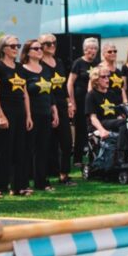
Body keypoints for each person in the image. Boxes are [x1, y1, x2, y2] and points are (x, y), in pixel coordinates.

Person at [0, 35, 32, 197]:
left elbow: (25, 93)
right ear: (3, 48)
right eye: (13, 46)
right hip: (5, 109)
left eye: (18, 45)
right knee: (3, 151)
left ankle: (18, 186)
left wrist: (28, 115)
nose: (16, 48)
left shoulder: (19, 67)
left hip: (19, 111)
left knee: (19, 149)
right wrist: (0, 114)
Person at [21, 39, 56, 192]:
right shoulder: (22, 70)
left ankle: (41, 181)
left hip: (45, 112)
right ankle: (24, 182)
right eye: (36, 48)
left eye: (41, 48)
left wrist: (54, 110)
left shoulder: (46, 69)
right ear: (28, 52)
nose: (40, 50)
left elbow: (51, 92)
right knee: (28, 149)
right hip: (31, 113)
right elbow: (24, 93)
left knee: (43, 148)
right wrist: (28, 115)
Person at [39, 34, 74, 186]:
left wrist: (69, 103)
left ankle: (64, 174)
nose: (52, 45)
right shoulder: (38, 64)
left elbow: (65, 84)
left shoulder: (59, 62)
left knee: (66, 141)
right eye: (48, 43)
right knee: (46, 143)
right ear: (41, 46)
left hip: (61, 104)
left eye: (54, 43)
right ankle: (44, 175)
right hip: (45, 105)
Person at [67, 37, 99, 166]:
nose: (93, 51)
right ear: (85, 50)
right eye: (90, 48)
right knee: (80, 129)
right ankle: (77, 159)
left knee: (92, 129)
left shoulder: (97, 63)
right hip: (80, 100)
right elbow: (70, 83)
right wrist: (72, 102)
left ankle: (94, 157)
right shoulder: (78, 63)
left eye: (95, 48)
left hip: (93, 100)